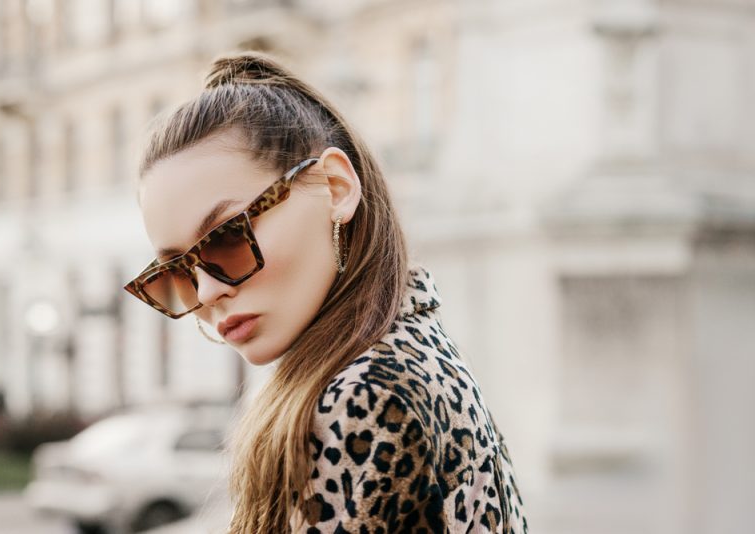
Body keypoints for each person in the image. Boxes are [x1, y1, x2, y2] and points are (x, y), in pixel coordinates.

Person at [123, 52, 528, 534]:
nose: (207, 291)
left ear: (334, 187)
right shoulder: (409, 342)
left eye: (228, 236)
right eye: (176, 272)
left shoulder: (363, 395)